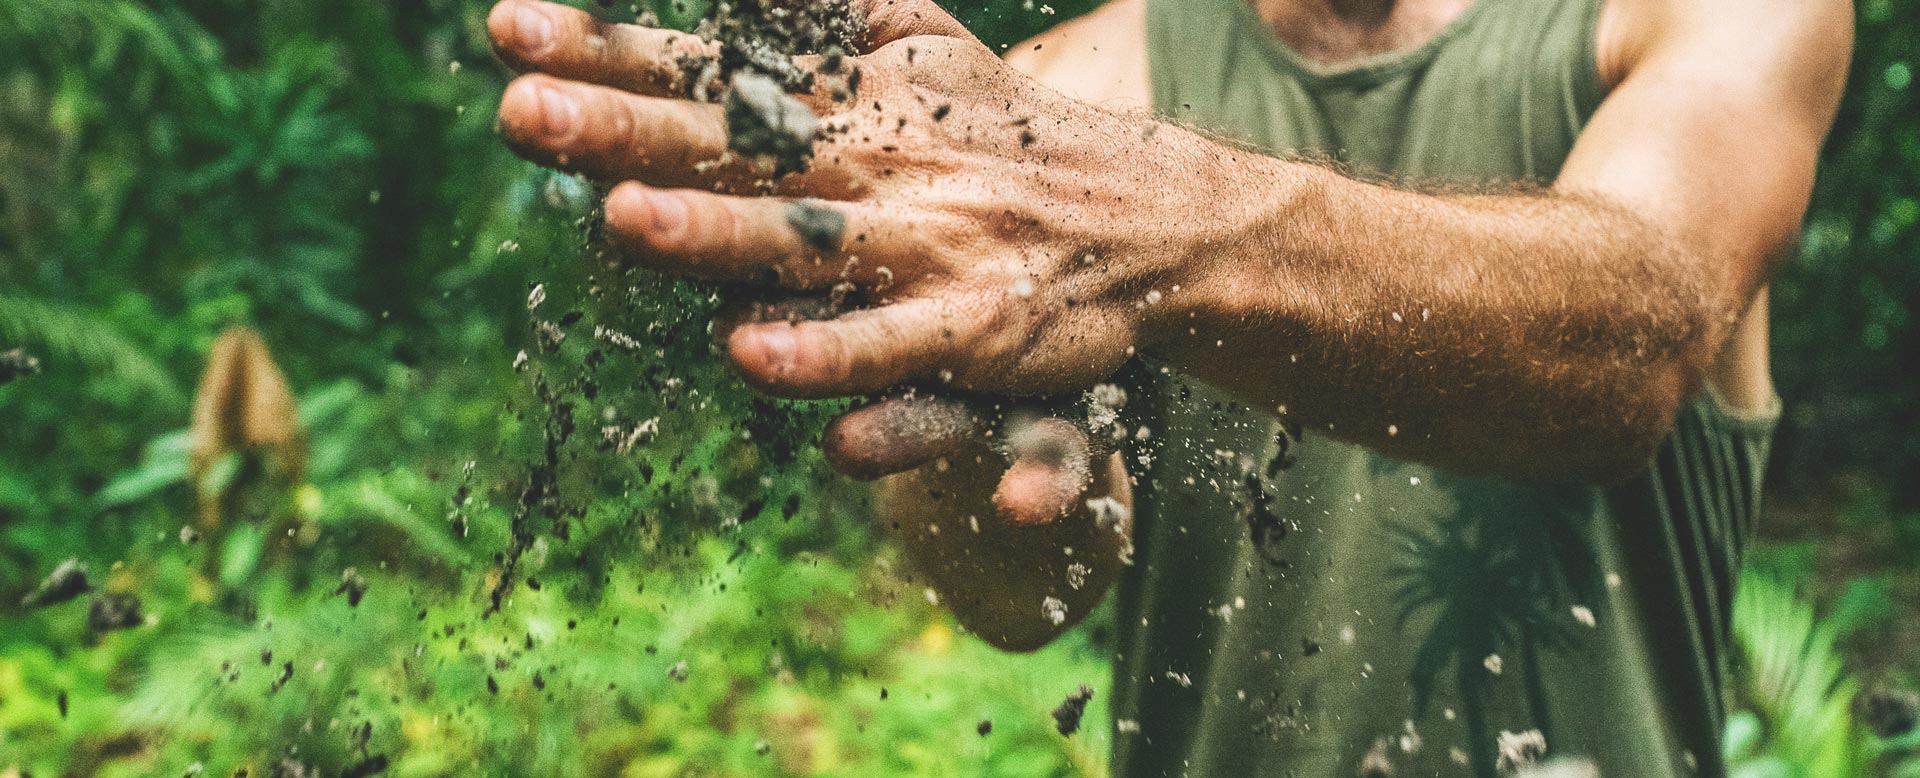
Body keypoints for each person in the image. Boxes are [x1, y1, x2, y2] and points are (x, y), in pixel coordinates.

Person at [485, 0, 1848, 773]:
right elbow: (1018, 601)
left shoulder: (1702, 14)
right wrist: (1003, 453)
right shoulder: (1059, 100)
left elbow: (1629, 341)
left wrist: (1172, 230)